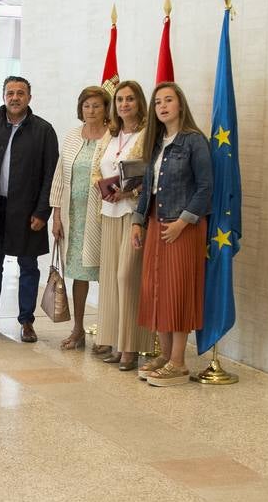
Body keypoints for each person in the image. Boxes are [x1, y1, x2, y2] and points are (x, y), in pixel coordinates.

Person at [132, 81, 213, 386]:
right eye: (157, 102)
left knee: (178, 291)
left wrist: (183, 222)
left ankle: (179, 362)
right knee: (156, 289)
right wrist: (138, 222)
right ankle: (165, 356)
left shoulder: (194, 141)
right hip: (156, 223)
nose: (162, 106)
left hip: (183, 228)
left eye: (168, 100)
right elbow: (147, 188)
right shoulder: (156, 143)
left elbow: (206, 188)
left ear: (180, 105)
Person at [0, 76, 59, 343]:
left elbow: (51, 175)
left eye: (21, 93)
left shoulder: (43, 130)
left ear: (29, 98)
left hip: (27, 210)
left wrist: (42, 212)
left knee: (28, 266)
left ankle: (26, 322)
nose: (15, 97)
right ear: (3, 96)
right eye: (10, 93)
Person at [90, 79, 150, 371]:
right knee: (112, 280)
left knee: (128, 278)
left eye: (130, 99)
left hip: (134, 215)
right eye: (120, 100)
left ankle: (132, 347)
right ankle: (114, 342)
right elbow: (95, 169)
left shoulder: (148, 134)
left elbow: (151, 177)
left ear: (139, 102)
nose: (124, 104)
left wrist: (129, 192)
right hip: (109, 213)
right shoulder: (110, 135)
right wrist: (104, 189)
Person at [50, 86, 111, 349]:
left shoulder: (113, 137)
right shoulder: (73, 136)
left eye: (97, 105)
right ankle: (78, 329)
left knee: (108, 275)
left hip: (103, 216)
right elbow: (60, 177)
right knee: (78, 274)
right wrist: (56, 215)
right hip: (74, 216)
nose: (91, 110)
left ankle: (109, 333)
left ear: (106, 109)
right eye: (87, 106)